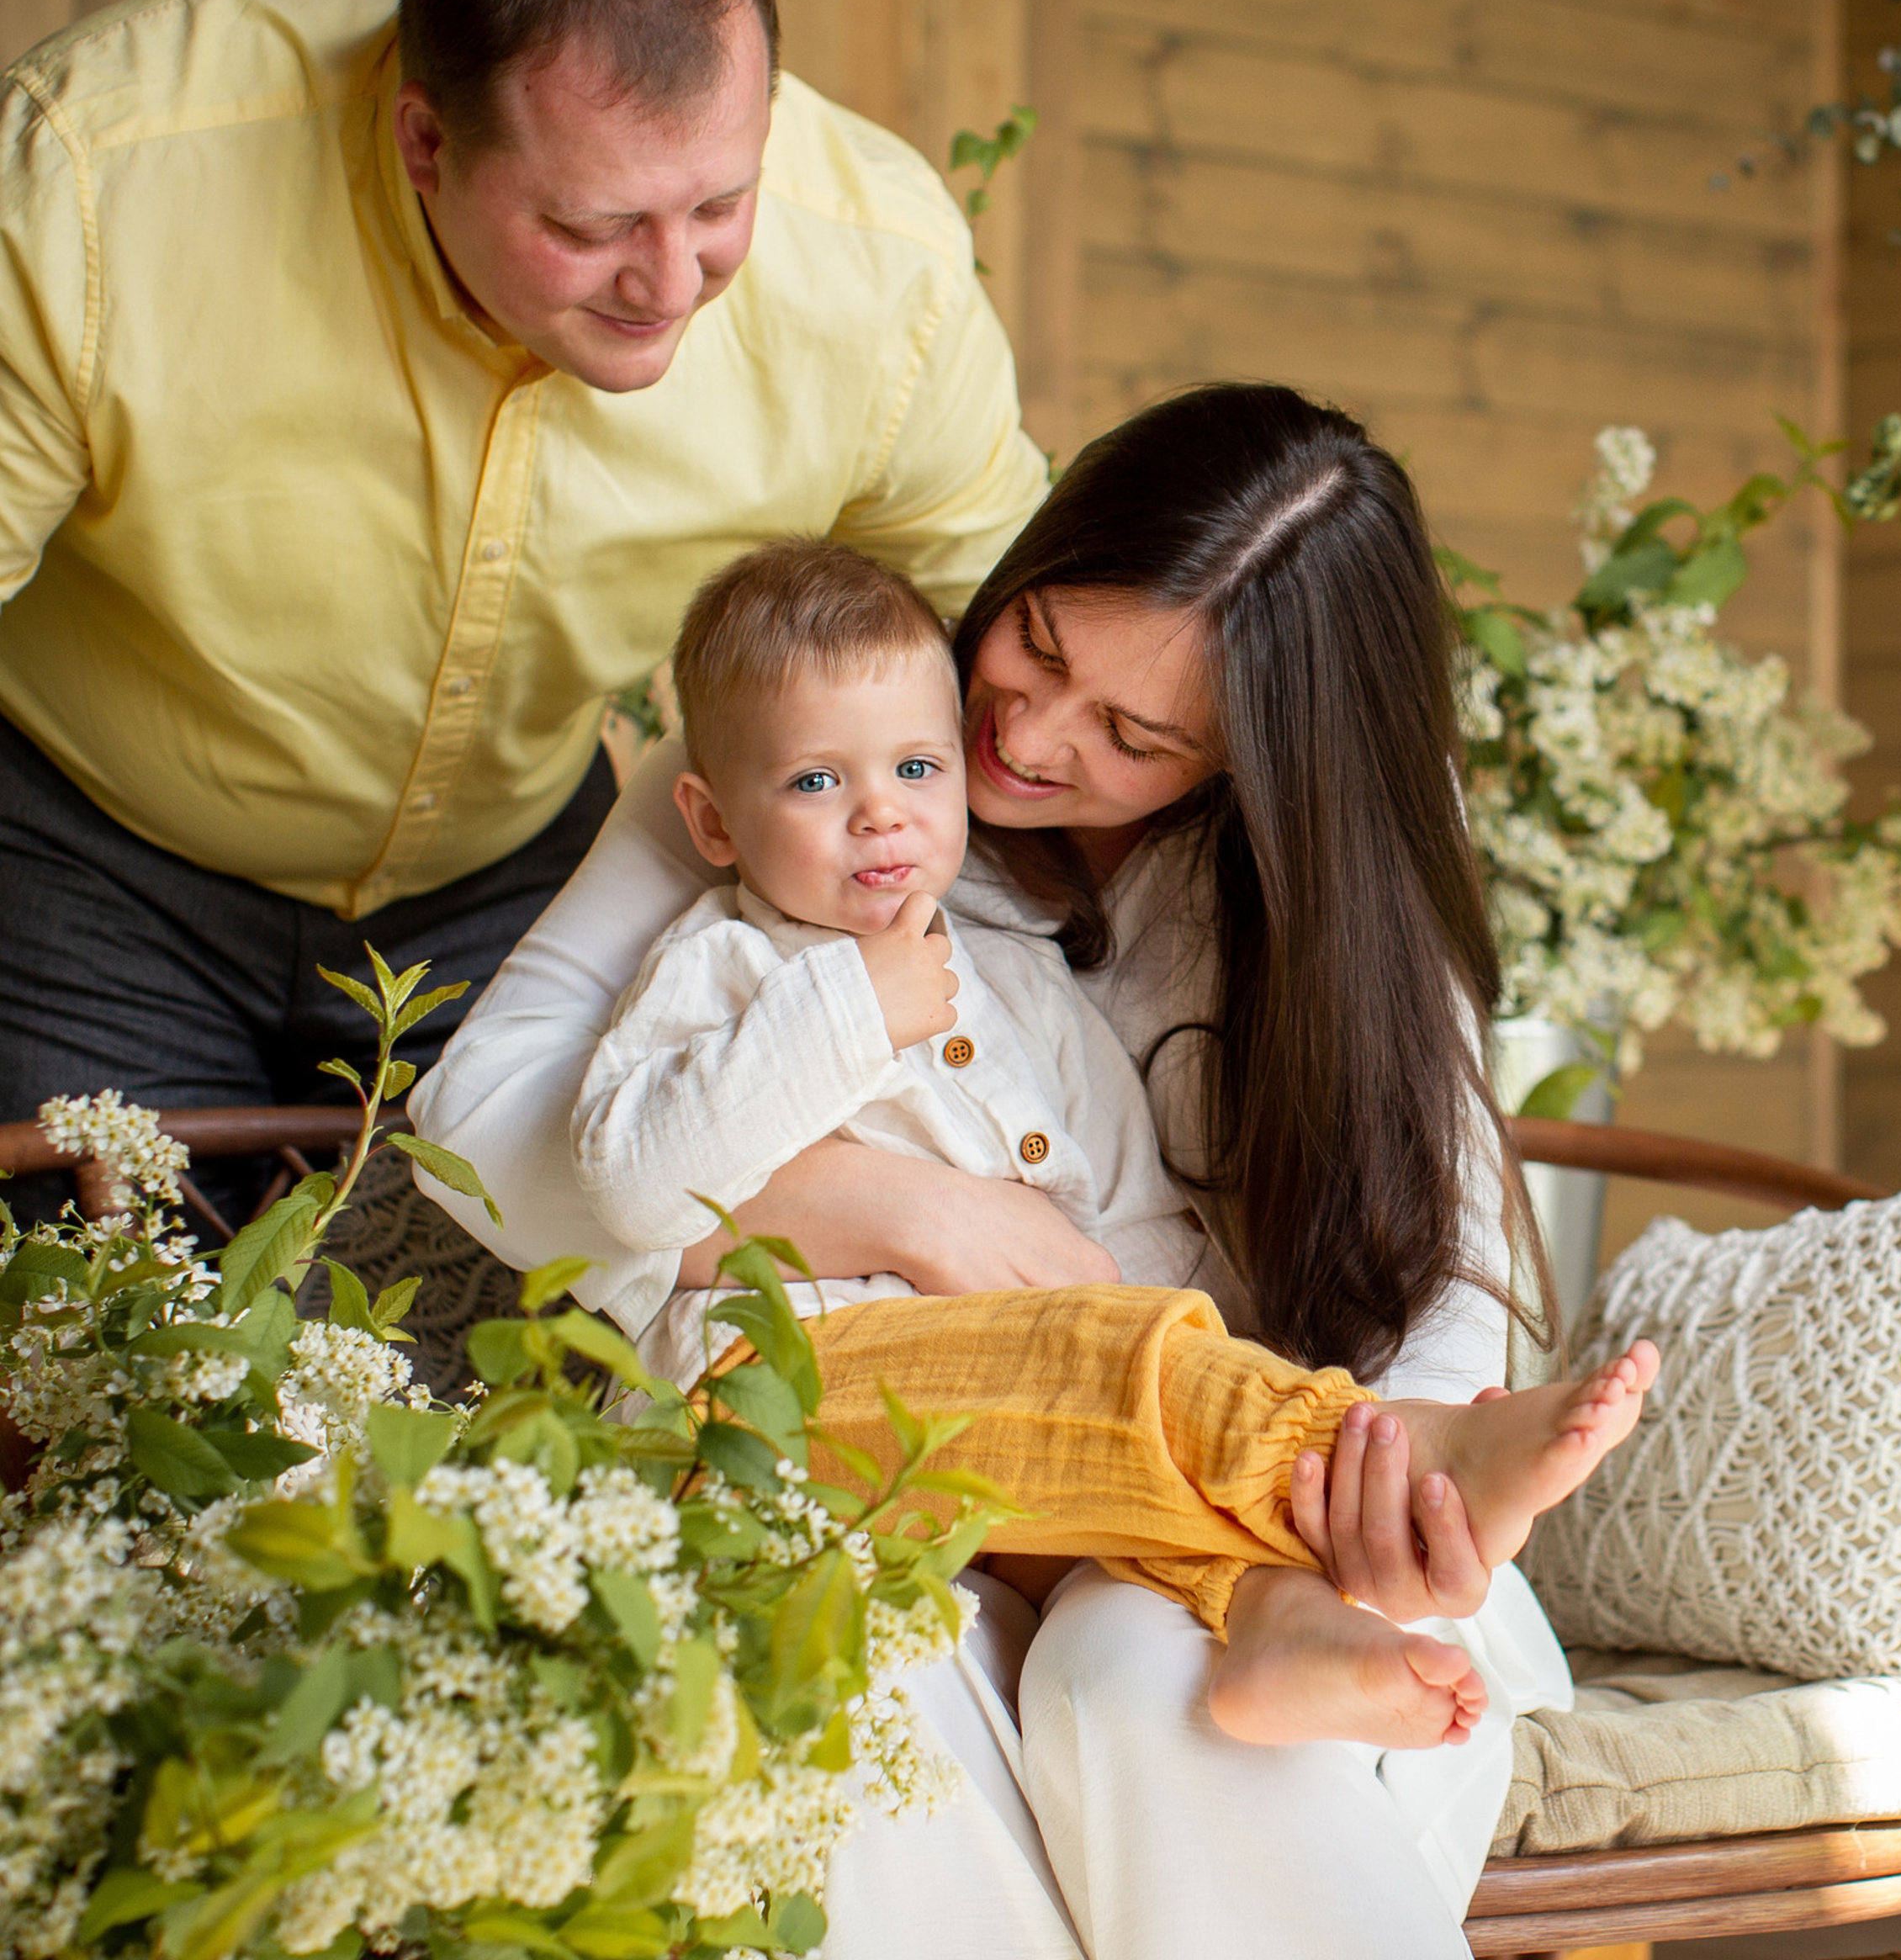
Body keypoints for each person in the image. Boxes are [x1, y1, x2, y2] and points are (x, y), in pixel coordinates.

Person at [411, 383, 1623, 1959]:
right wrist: (902, 1206)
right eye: (1039, 645)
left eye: (1135, 735)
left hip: (1239, 1491)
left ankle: (1296, 1581)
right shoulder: (818, 736)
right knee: (854, 1665)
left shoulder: (1338, 873)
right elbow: (478, 1140)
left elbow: (1429, 1270)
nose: (1026, 740)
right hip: (889, 1447)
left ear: (1260, 765)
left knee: (1142, 1681)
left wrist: (1385, 1501)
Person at [0, 0, 1043, 1219]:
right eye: (593, 224)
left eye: (720, 205)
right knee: (113, 1323)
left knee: (534, 1316)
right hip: (92, 857)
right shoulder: (101, 180)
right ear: (426, 142)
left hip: (519, 877)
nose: (670, 284)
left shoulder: (881, 270)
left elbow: (1032, 680)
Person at [571, 537, 1653, 1746]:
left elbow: (1131, 1212)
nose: (880, 811)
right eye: (816, 783)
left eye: (917, 768)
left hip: (989, 1438)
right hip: (772, 1395)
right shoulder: (716, 967)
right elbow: (629, 1182)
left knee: (1125, 1463)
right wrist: (849, 1010)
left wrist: (1155, 1323)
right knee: (1118, 1382)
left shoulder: (1011, 979)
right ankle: (1398, 1451)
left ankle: (1275, 1622)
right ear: (714, 822)